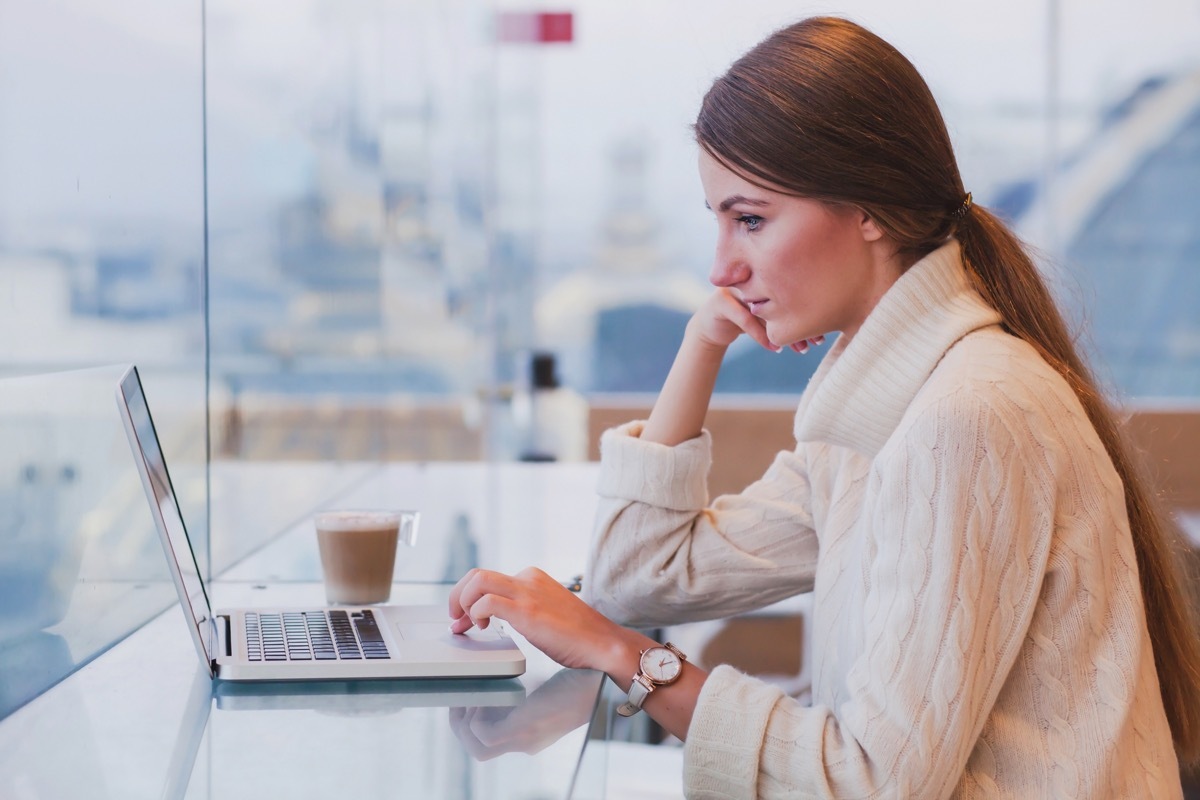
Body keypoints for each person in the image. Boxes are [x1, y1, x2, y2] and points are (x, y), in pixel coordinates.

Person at [449, 15, 1200, 798]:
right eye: (717, 221)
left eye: (750, 220)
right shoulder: (879, 416)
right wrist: (700, 346)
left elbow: (872, 781)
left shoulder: (967, 415)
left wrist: (623, 658)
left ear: (868, 209)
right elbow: (636, 577)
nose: (721, 266)